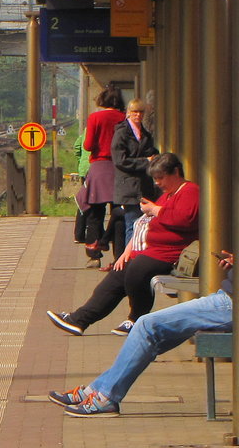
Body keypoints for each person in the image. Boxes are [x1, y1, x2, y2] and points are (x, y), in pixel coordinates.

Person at [50, 250, 233, 416]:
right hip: (226, 297)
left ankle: (105, 396)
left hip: (229, 303)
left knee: (147, 325)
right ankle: (98, 390)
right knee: (148, 334)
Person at [47, 153, 198, 336]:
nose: (158, 183)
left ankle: (137, 319)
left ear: (175, 172)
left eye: (161, 178)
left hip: (171, 253)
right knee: (118, 274)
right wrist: (130, 248)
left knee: (137, 271)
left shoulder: (190, 191)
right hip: (153, 250)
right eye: (155, 178)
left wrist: (155, 210)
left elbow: (183, 219)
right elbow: (147, 222)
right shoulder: (168, 194)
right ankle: (79, 319)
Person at [81, 86, 126, 267]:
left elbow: (88, 145)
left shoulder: (95, 118)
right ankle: (119, 257)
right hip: (120, 169)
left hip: (99, 168)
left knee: (95, 214)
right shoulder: (124, 118)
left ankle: (94, 255)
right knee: (119, 213)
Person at [111, 98, 157, 245]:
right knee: (132, 224)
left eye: (141, 112)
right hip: (129, 186)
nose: (138, 115)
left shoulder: (145, 134)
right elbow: (120, 160)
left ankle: (135, 256)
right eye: (135, 112)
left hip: (144, 186)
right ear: (128, 113)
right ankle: (129, 261)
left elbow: (151, 151)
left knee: (142, 225)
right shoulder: (121, 133)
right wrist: (146, 161)